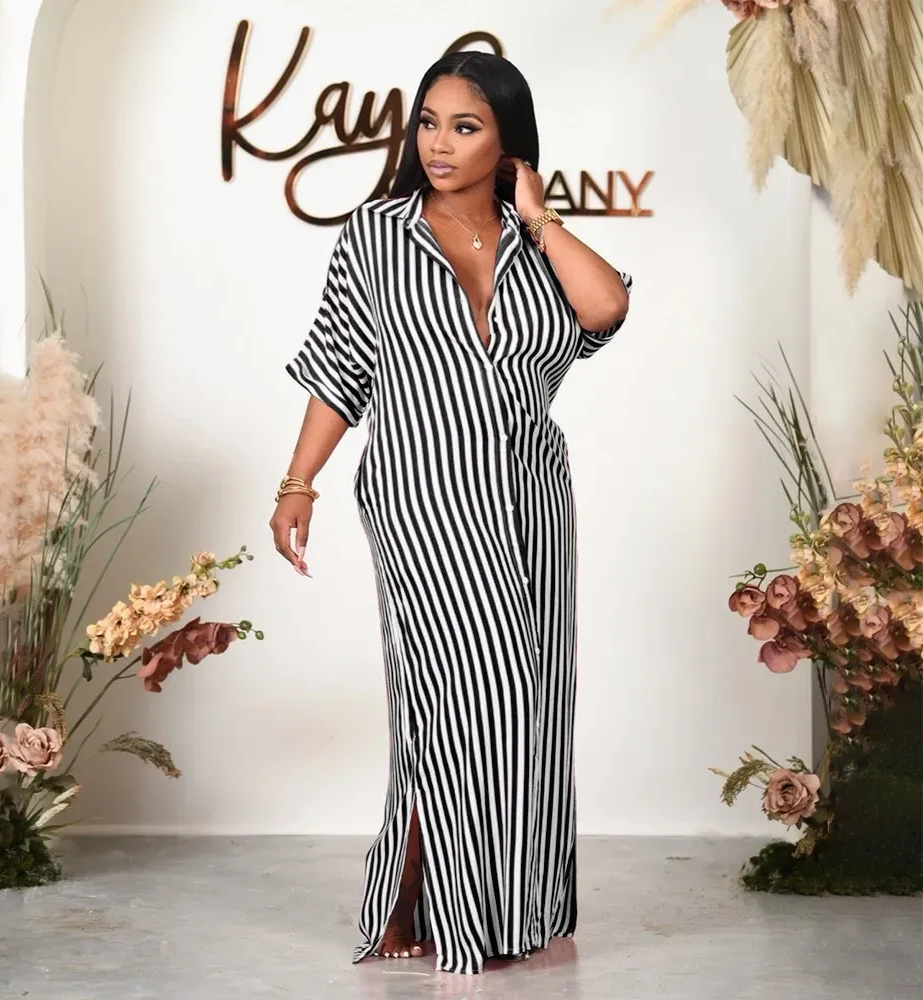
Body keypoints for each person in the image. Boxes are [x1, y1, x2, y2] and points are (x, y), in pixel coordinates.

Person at [270, 50, 632, 976]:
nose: (438, 143)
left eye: (465, 127)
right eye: (428, 123)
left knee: (530, 701)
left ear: (508, 143)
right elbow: (338, 370)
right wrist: (298, 483)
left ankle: (509, 904)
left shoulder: (538, 245)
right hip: (419, 494)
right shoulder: (376, 236)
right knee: (464, 701)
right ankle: (459, 916)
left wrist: (539, 216)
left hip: (531, 501)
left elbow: (605, 309)